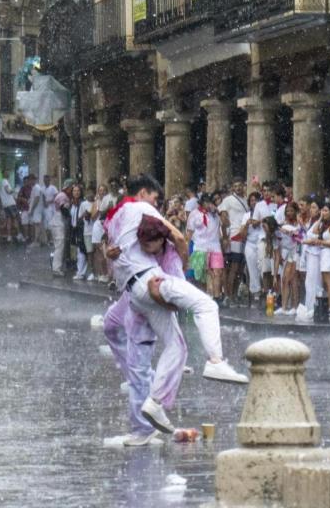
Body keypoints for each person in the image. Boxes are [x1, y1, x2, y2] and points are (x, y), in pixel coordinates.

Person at [103, 175, 247, 437]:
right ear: (144, 193)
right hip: (152, 279)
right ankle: (215, 360)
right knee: (207, 305)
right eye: (155, 199)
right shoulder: (141, 208)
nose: (156, 205)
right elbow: (179, 236)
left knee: (176, 346)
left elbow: (112, 255)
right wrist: (182, 266)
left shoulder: (113, 219)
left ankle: (154, 403)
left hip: (134, 293)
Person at [218, 180, 249, 306]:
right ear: (232, 188)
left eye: (239, 185)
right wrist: (225, 237)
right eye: (235, 186)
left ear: (243, 187)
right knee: (233, 268)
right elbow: (223, 217)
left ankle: (235, 295)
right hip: (234, 235)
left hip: (244, 236)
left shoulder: (246, 201)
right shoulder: (228, 200)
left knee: (240, 269)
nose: (238, 188)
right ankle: (229, 296)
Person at [187, 194, 224, 299]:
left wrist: (219, 213)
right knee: (201, 276)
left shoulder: (216, 214)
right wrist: (186, 251)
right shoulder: (194, 214)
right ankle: (204, 296)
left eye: (210, 203)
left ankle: (217, 297)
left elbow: (225, 224)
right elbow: (189, 233)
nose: (209, 205)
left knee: (218, 272)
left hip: (215, 246)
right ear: (202, 203)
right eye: (207, 202)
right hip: (200, 247)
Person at [49, 186, 70, 276]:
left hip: (57, 221)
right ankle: (56, 268)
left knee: (58, 245)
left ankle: (57, 266)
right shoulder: (62, 195)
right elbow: (63, 208)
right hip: (58, 222)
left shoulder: (62, 195)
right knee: (59, 245)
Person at [70, 185, 89, 281]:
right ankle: (80, 270)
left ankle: (81, 272)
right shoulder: (72, 203)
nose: (76, 192)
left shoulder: (83, 203)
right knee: (78, 250)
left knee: (81, 251)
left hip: (81, 229)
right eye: (74, 191)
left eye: (78, 191)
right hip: (75, 229)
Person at [0, 173, 23, 243]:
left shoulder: (1, 182)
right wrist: (16, 190)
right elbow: (8, 191)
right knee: (15, 219)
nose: (9, 174)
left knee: (9, 220)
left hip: (5, 204)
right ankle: (19, 234)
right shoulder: (5, 181)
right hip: (10, 203)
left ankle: (9, 236)